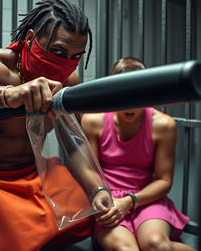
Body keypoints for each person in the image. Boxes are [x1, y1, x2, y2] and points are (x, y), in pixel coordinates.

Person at [0, 0, 111, 251]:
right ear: (30, 39)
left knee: (91, 217)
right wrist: (7, 95)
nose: (65, 63)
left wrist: (96, 187)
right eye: (58, 52)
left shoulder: (68, 82)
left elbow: (75, 144)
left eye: (75, 56)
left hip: (34, 175)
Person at [81, 57, 197, 251]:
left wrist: (130, 201)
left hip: (145, 196)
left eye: (137, 94)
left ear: (146, 93)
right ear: (112, 93)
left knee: (156, 245)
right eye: (123, 95)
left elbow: (164, 180)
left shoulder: (163, 125)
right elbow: (88, 168)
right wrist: (100, 193)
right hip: (108, 198)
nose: (130, 103)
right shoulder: (93, 120)